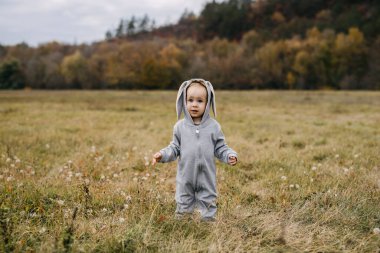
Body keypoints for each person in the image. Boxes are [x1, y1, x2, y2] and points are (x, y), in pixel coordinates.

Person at [152, 78, 237, 222]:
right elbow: (174, 147)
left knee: (208, 199)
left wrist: (229, 155)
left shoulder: (213, 127)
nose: (194, 105)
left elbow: (220, 147)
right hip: (186, 176)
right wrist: (162, 155)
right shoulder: (180, 127)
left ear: (207, 103)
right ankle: (182, 223)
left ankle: (208, 224)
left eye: (199, 101)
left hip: (207, 176)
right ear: (184, 101)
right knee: (184, 199)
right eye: (190, 100)